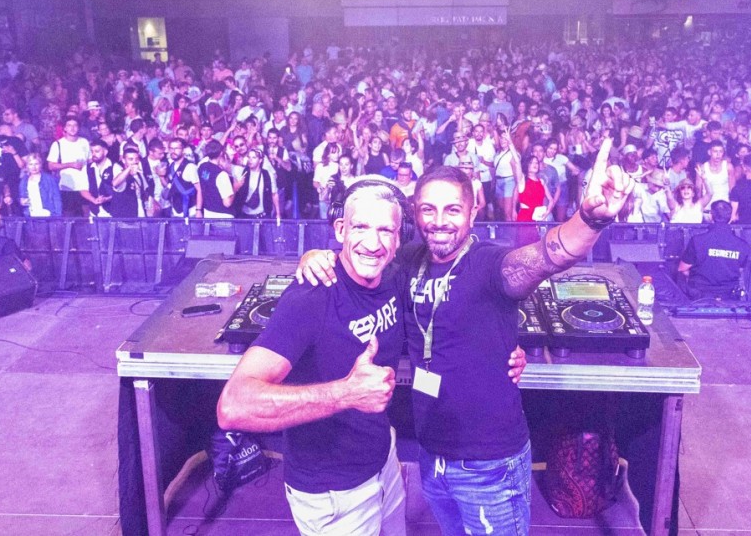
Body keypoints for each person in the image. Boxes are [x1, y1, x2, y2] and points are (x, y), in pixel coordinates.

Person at [297, 138, 633, 535]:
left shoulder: (490, 264)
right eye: (429, 209)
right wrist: (315, 257)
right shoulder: (407, 260)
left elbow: (548, 255)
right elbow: (360, 257)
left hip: (488, 464)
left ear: (473, 212)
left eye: (452, 209)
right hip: (432, 454)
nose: (439, 221)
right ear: (415, 213)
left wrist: (589, 221)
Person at [218, 178, 526, 536]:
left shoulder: (392, 279)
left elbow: (448, 313)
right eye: (360, 227)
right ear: (340, 230)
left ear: (399, 239)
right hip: (333, 494)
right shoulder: (311, 297)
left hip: (383, 463)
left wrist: (501, 348)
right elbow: (233, 406)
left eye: (385, 230)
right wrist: (346, 393)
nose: (373, 242)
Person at [677, 200, 751, 299]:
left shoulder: (697, 240)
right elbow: (741, 270)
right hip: (729, 298)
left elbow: (682, 268)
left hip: (699, 297)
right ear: (730, 217)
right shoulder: (742, 245)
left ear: (711, 216)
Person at [46, 115, 91, 217]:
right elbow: (51, 166)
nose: (72, 128)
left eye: (75, 125)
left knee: (86, 215)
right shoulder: (58, 144)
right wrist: (70, 165)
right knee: (69, 216)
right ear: (65, 128)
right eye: (69, 125)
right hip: (67, 186)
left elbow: (89, 160)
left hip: (84, 185)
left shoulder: (84, 142)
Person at [19, 153, 62, 217]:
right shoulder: (24, 180)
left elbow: (56, 198)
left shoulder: (49, 179)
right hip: (30, 215)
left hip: (47, 215)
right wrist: (22, 201)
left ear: (40, 165)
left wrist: (57, 215)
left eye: (36, 164)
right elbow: (22, 197)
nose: (34, 167)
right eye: (31, 164)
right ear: (27, 166)